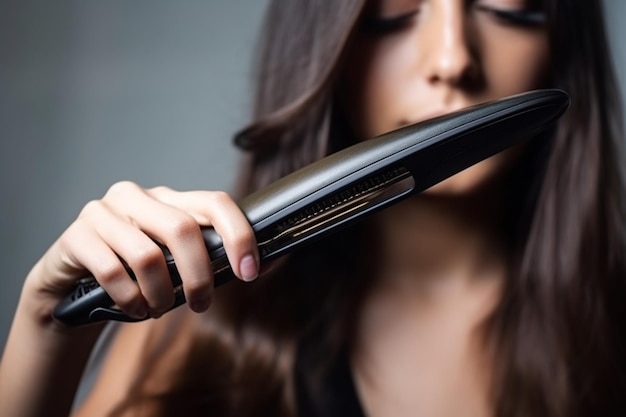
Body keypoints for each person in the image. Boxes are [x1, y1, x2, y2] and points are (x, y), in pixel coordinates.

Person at [1, 0, 625, 416]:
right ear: (331, 42)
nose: (452, 60)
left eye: (505, 6)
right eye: (396, 10)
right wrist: (45, 329)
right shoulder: (201, 320)